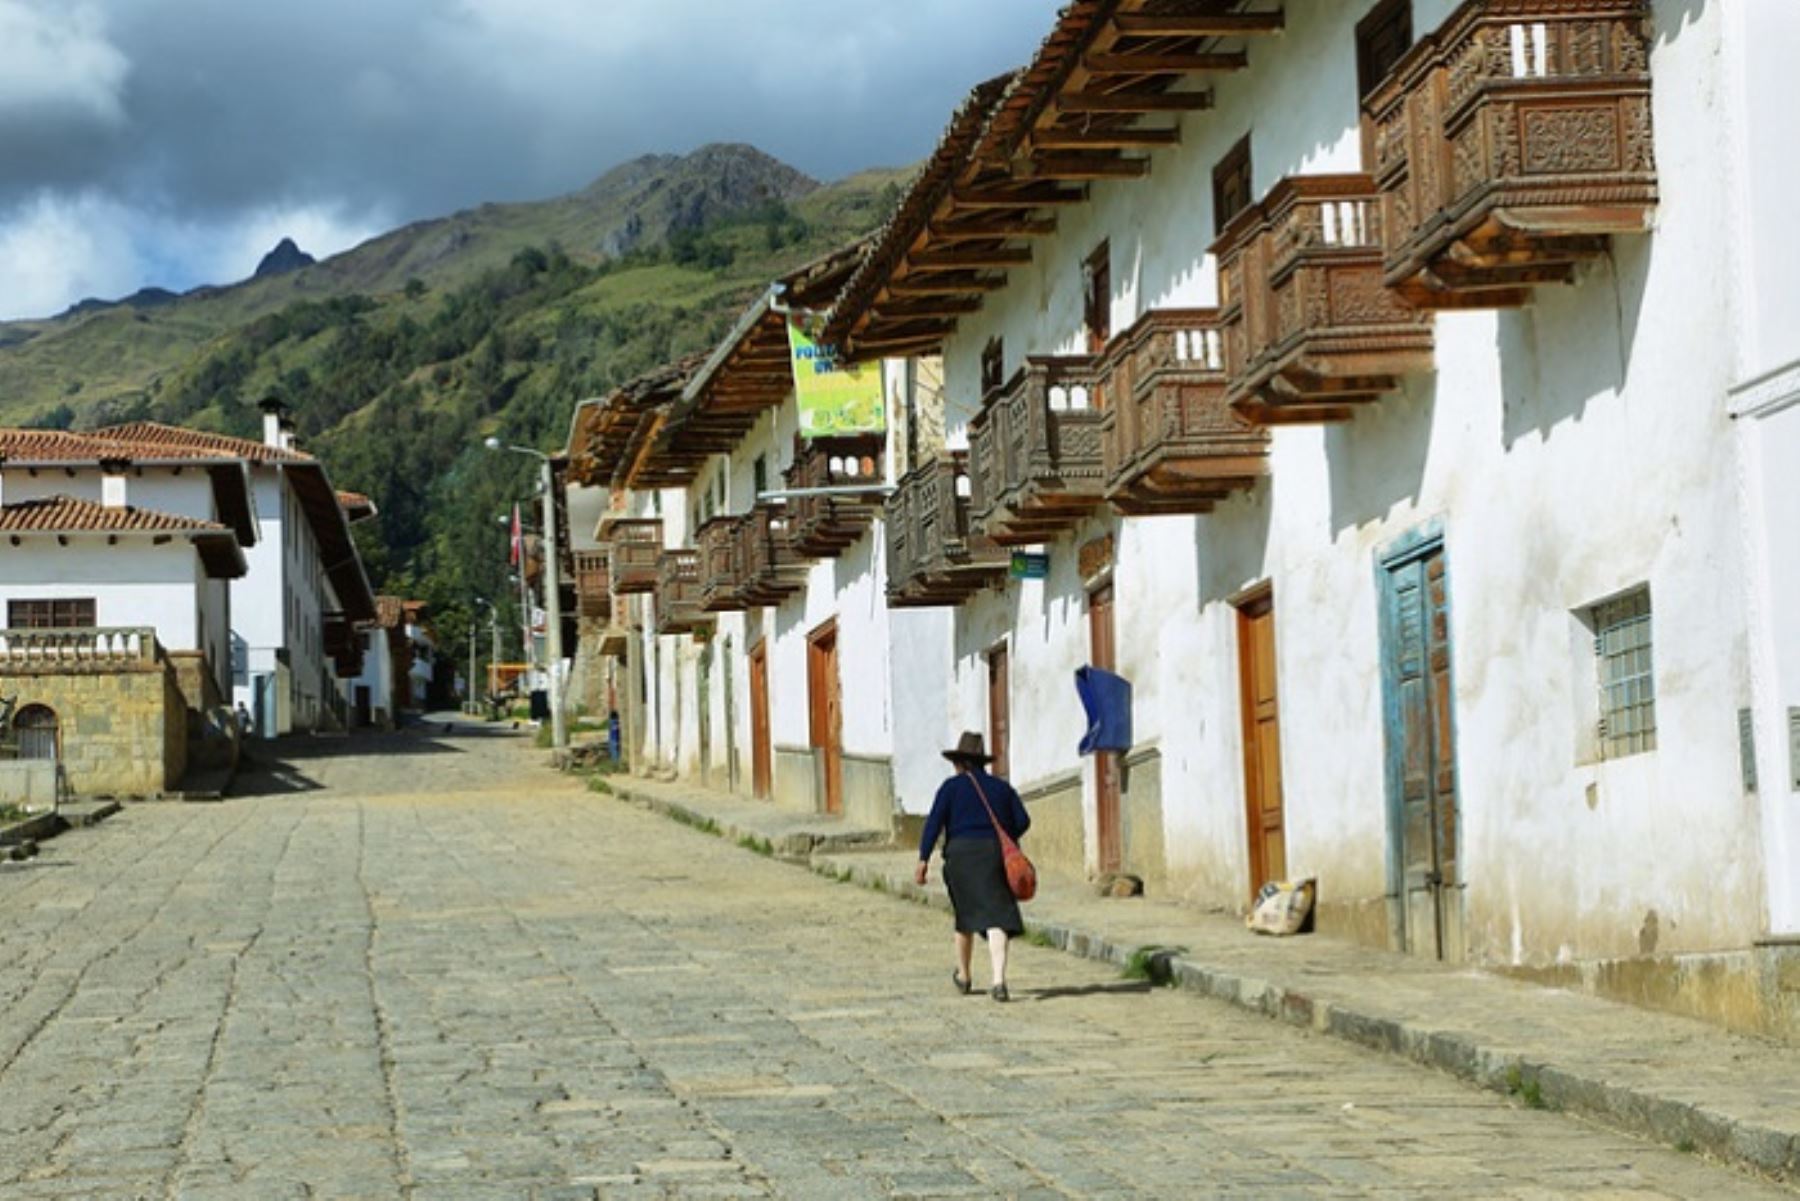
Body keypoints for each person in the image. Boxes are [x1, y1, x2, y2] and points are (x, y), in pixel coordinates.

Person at [914, 731, 1031, 1001]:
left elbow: (933, 824)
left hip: (961, 856)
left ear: (960, 762)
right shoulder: (1002, 788)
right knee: (997, 915)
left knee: (965, 916)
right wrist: (1005, 837)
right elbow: (1023, 820)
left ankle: (965, 976)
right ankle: (999, 980)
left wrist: (923, 859)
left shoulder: (950, 788)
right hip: (993, 854)